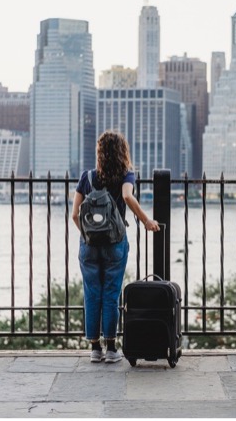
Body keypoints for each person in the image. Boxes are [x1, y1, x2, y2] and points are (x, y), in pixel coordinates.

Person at [72, 131, 160, 363]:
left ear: (99, 153)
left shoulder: (87, 177)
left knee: (92, 293)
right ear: (123, 152)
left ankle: (94, 348)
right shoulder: (126, 174)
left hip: (89, 245)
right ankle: (111, 348)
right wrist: (146, 221)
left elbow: (74, 215)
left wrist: (88, 236)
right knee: (111, 293)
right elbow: (127, 197)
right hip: (115, 243)